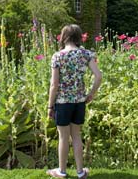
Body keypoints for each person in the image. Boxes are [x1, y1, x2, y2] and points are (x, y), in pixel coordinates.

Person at [46, 24, 102, 179]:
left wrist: (50, 106)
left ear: (63, 37)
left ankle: (62, 172)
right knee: (76, 136)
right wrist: (91, 93)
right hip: (79, 102)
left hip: (63, 102)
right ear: (78, 37)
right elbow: (98, 76)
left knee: (63, 137)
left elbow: (54, 84)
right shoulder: (86, 54)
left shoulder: (58, 56)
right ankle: (80, 172)